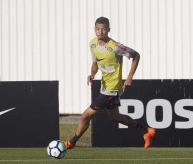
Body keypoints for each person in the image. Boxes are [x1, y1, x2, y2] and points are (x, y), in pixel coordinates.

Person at [64, 17, 155, 150]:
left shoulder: (116, 47)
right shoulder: (93, 44)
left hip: (112, 90)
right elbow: (95, 63)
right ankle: (146, 131)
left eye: (103, 29)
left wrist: (129, 77)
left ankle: (71, 143)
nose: (100, 32)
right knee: (115, 116)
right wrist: (92, 74)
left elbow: (136, 55)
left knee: (85, 116)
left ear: (108, 30)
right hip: (104, 88)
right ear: (94, 29)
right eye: (97, 29)